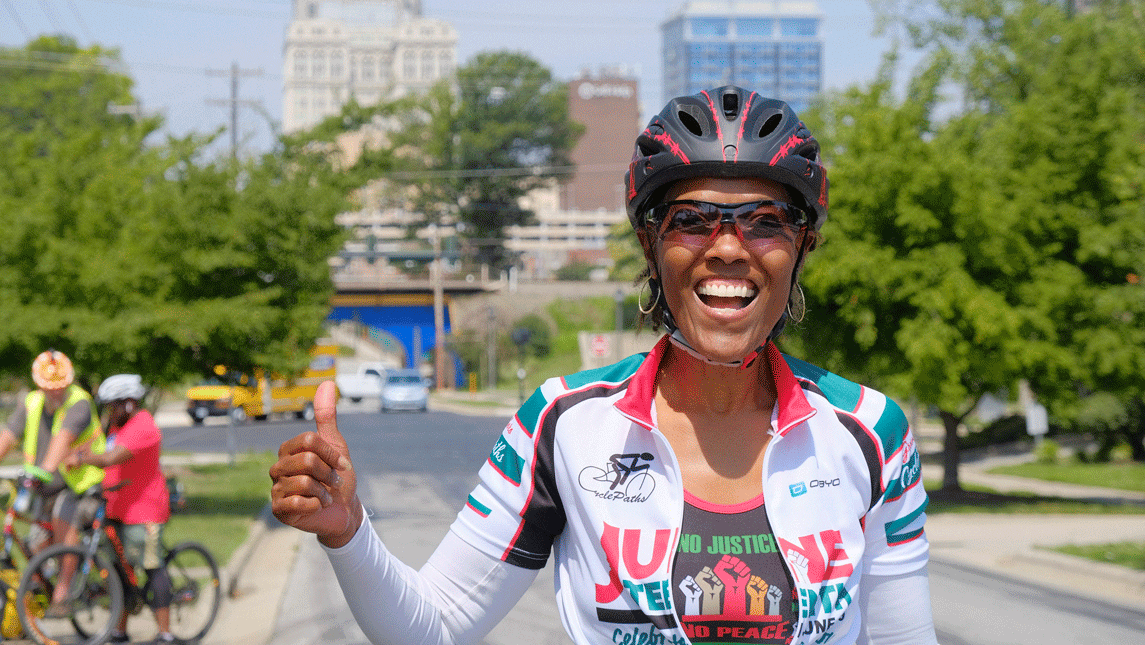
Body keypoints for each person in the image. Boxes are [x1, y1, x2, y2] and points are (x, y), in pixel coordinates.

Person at [270, 86, 937, 645]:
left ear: (802, 244)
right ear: (651, 243)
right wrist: (349, 531)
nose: (728, 247)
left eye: (765, 221)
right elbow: (435, 625)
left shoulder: (870, 431)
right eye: (693, 219)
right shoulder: (562, 423)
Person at [66, 373, 175, 645]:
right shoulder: (117, 426)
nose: (109, 411)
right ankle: (120, 630)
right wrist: (76, 451)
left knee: (151, 567)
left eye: (113, 405)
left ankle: (165, 633)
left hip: (144, 512)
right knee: (119, 572)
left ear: (129, 403)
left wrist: (83, 459)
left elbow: (110, 458)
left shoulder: (143, 426)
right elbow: (98, 446)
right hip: (116, 509)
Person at [0, 350, 105, 556]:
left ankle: (65, 588)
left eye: (60, 387)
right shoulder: (32, 402)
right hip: (44, 488)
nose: (56, 392)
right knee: (35, 548)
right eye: (49, 388)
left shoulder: (79, 402)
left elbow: (64, 437)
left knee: (63, 524)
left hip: (78, 487)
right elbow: (8, 436)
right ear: (39, 385)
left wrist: (44, 469)